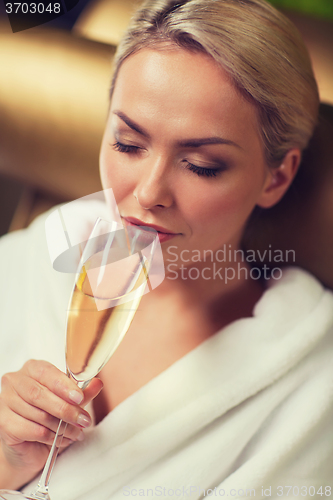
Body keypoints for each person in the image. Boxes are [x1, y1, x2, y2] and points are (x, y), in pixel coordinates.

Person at [0, 0, 332, 498]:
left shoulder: (312, 384)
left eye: (201, 165)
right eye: (129, 144)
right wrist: (7, 459)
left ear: (276, 177)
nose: (150, 191)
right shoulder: (37, 260)